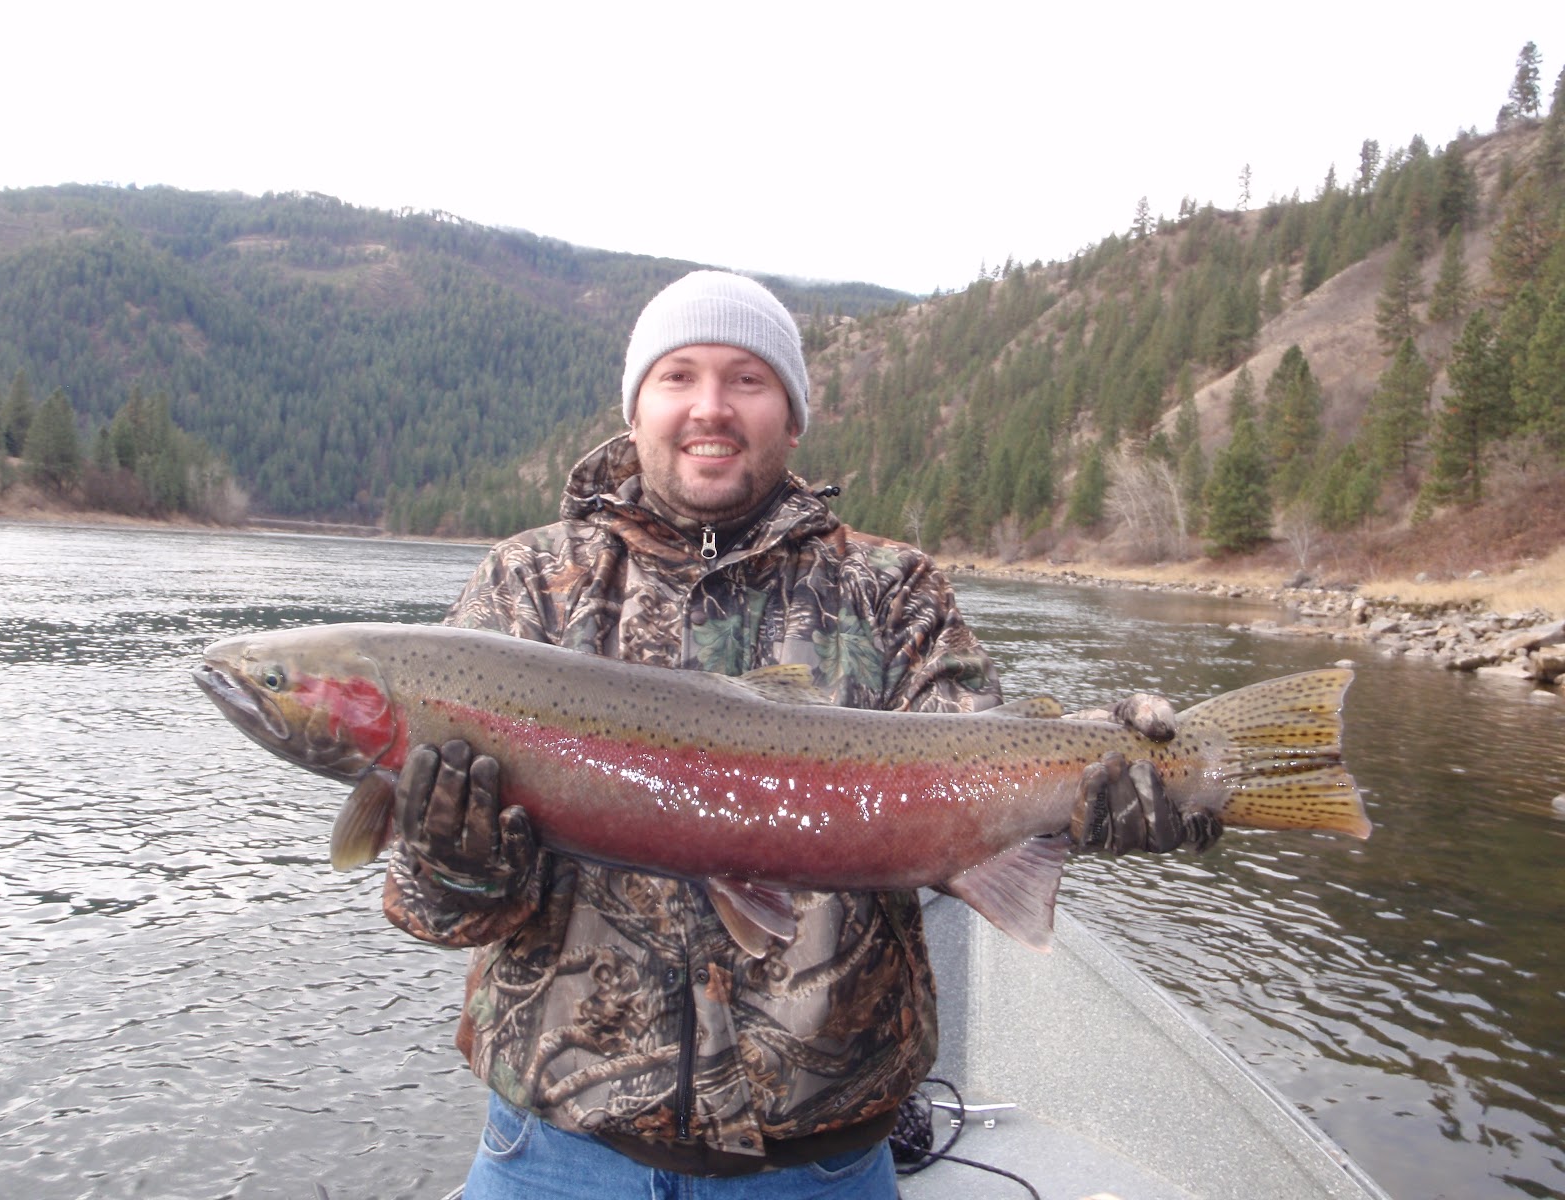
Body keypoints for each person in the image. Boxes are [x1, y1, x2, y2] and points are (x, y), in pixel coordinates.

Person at [382, 270, 1217, 1199]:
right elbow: (439, 916)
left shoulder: (890, 589)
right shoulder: (526, 585)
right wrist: (458, 862)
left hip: (819, 1166)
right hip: (555, 1158)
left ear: (792, 415)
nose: (710, 407)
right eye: (678, 376)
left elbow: (981, 759)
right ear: (636, 407)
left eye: (747, 379)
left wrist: (1117, 776)